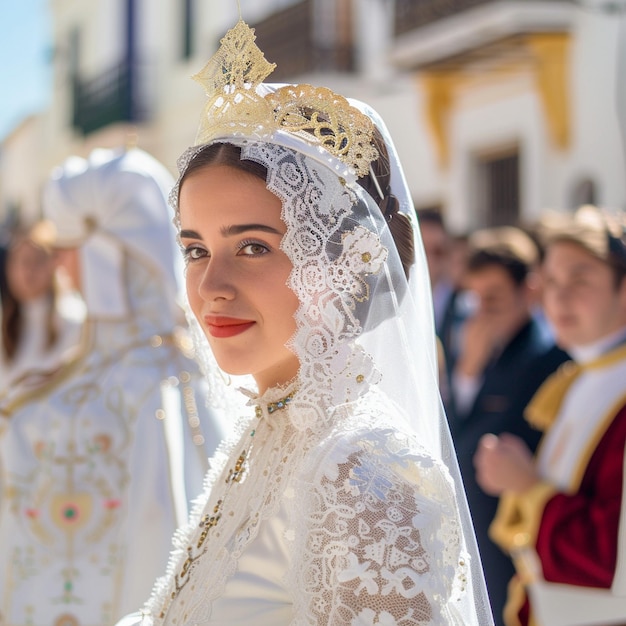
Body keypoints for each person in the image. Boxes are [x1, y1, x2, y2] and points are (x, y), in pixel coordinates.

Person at [118, 18, 494, 626]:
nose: (211, 287)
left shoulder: (360, 469)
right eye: (194, 249)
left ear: (342, 265)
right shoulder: (273, 432)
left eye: (254, 246)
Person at [0, 147, 230, 625]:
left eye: (68, 250)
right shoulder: (181, 368)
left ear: (105, 253)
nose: (62, 267)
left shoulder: (142, 385)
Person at [474, 205, 626, 626]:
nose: (559, 297)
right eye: (552, 281)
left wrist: (526, 486)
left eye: (579, 280)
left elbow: (610, 553)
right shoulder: (579, 375)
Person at [448, 226, 569, 625]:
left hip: (514, 543)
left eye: (494, 298)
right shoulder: (481, 346)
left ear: (528, 291)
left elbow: (473, 441)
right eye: (474, 298)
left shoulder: (545, 361)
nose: (481, 311)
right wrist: (467, 370)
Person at [0, 221, 81, 390]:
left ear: (53, 264)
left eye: (36, 261)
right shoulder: (5, 325)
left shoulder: (73, 319)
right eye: (21, 262)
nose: (27, 271)